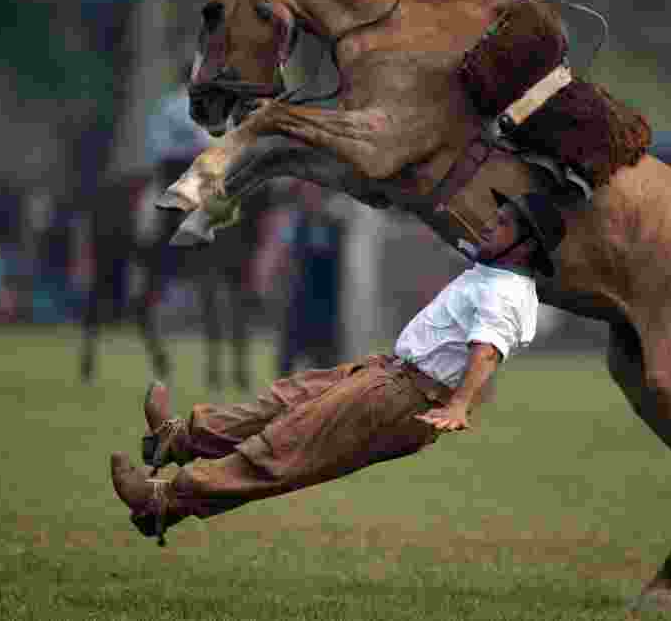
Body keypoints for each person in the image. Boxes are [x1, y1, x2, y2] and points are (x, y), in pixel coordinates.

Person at [110, 190, 566, 545]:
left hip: (406, 396)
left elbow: (487, 350)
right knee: (282, 402)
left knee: (283, 447)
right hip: (387, 374)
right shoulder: (492, 271)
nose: (491, 223)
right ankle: (178, 440)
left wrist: (462, 404)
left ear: (525, 248)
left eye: (504, 223)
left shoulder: (505, 292)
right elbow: (463, 229)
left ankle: (162, 501)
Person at [276, 181, 347, 376]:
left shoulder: (333, 226)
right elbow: (283, 259)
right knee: (285, 368)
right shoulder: (294, 224)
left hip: (325, 310)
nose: (311, 197)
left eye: (315, 192)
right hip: (297, 307)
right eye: (307, 193)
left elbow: (340, 269)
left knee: (326, 372)